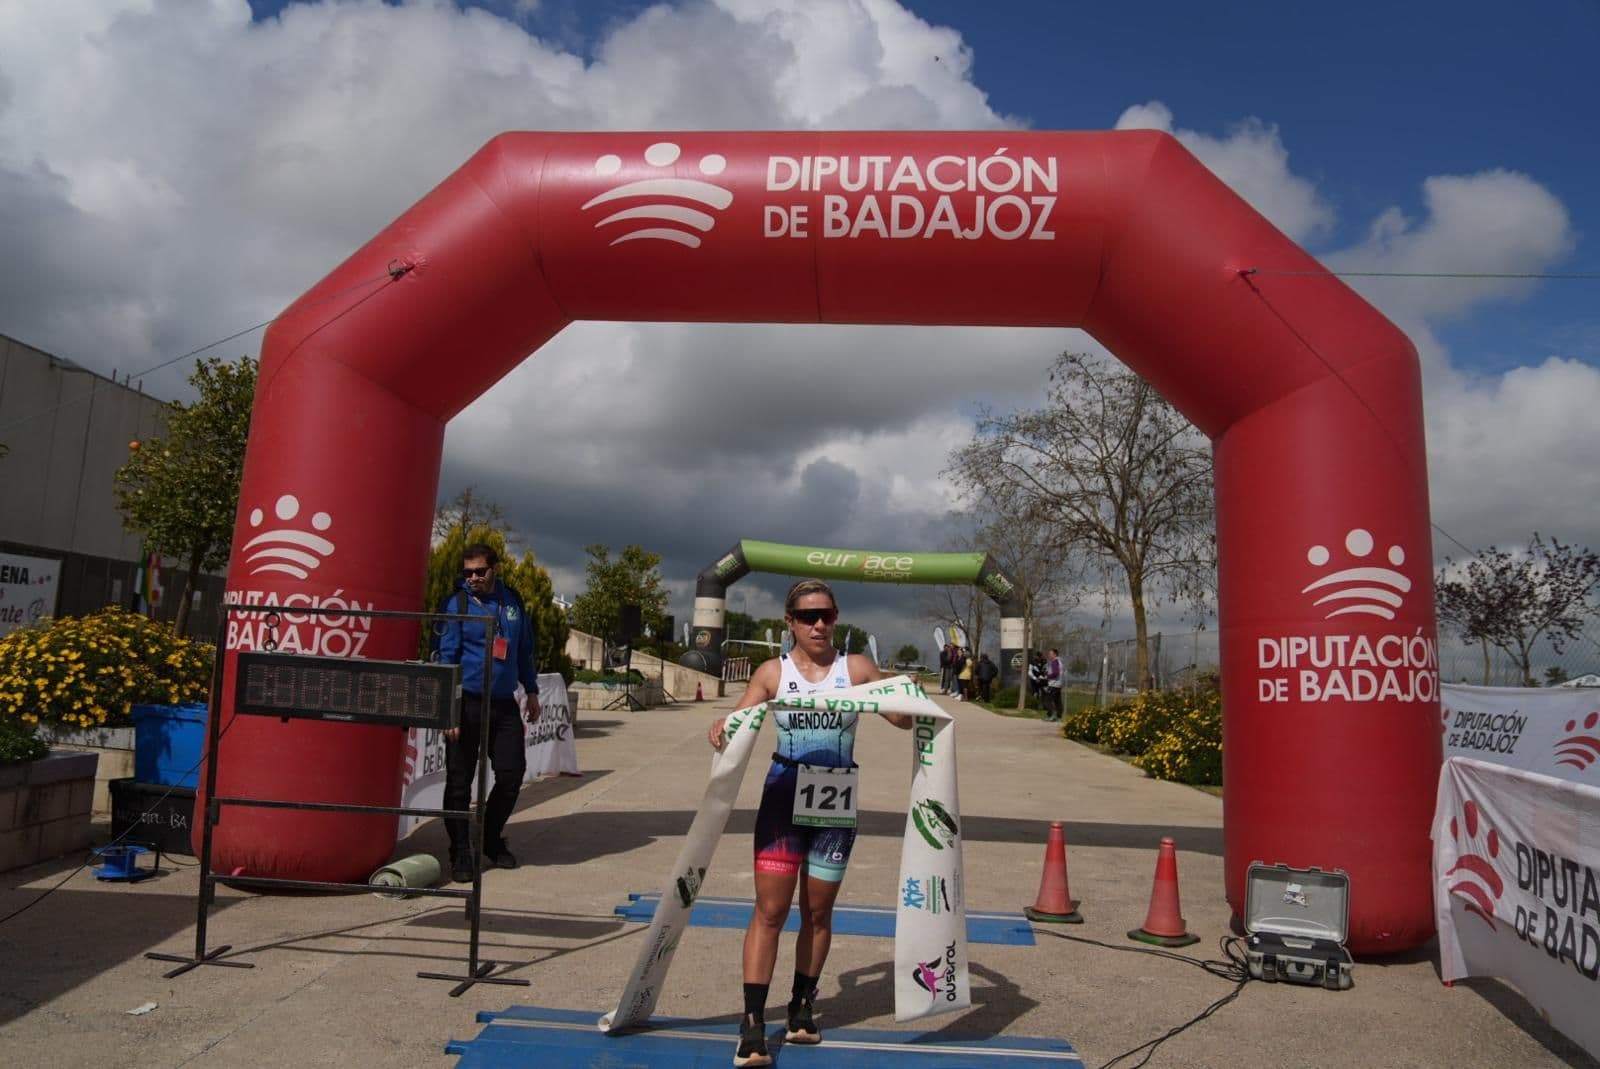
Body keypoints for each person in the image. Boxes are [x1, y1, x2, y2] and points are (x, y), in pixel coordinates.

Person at [707, 579, 911, 1067]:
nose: (819, 624)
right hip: (783, 796)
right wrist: (720, 727)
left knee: (818, 911)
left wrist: (907, 695)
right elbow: (736, 725)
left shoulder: (856, 668)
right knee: (770, 911)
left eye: (827, 615)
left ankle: (802, 1007)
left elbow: (903, 720)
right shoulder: (772, 673)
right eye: (807, 616)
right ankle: (753, 1023)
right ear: (790, 622)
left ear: (836, 618)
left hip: (835, 800)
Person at [434, 543, 541, 883]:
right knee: (459, 783)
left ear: (495, 569)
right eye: (468, 573)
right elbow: (446, 659)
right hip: (465, 704)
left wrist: (532, 690)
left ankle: (490, 839)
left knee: (511, 775)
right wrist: (449, 711)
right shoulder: (457, 603)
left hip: (504, 703)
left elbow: (523, 649)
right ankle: (460, 851)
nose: (473, 578)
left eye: (480, 571)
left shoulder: (512, 601)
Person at [1044, 647, 1064, 720]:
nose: (1049, 655)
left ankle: (1050, 715)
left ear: (1055, 654)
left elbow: (1055, 673)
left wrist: (1047, 676)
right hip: (1058, 684)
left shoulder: (1054, 662)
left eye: (1050, 654)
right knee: (1057, 701)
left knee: (1047, 700)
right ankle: (1059, 716)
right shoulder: (1060, 662)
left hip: (1053, 684)